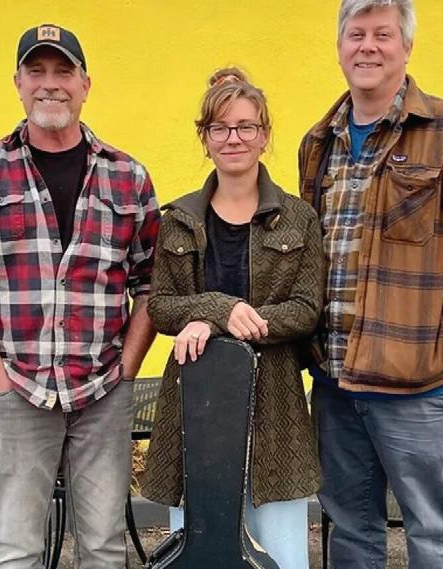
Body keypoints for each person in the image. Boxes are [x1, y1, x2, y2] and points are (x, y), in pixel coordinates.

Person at [0, 24, 160, 568]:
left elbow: (152, 282)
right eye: (37, 71)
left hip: (103, 390)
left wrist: (127, 369)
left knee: (103, 546)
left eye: (63, 72)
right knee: (15, 549)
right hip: (18, 389)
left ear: (85, 85)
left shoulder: (127, 176)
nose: (50, 84)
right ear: (18, 83)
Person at [298, 1, 443, 568]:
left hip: (417, 385)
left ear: (406, 47)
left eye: (382, 35)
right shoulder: (318, 142)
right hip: (336, 381)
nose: (367, 46)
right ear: (340, 47)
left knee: (433, 531)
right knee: (350, 531)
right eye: (356, 34)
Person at [141, 68, 323, 569]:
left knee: (282, 554)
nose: (233, 138)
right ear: (204, 138)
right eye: (219, 127)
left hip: (275, 407)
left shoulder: (298, 218)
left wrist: (215, 320)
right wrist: (221, 309)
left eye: (246, 126)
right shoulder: (179, 219)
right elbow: (161, 305)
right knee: (200, 547)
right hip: (195, 403)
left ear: (264, 135)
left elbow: (305, 309)